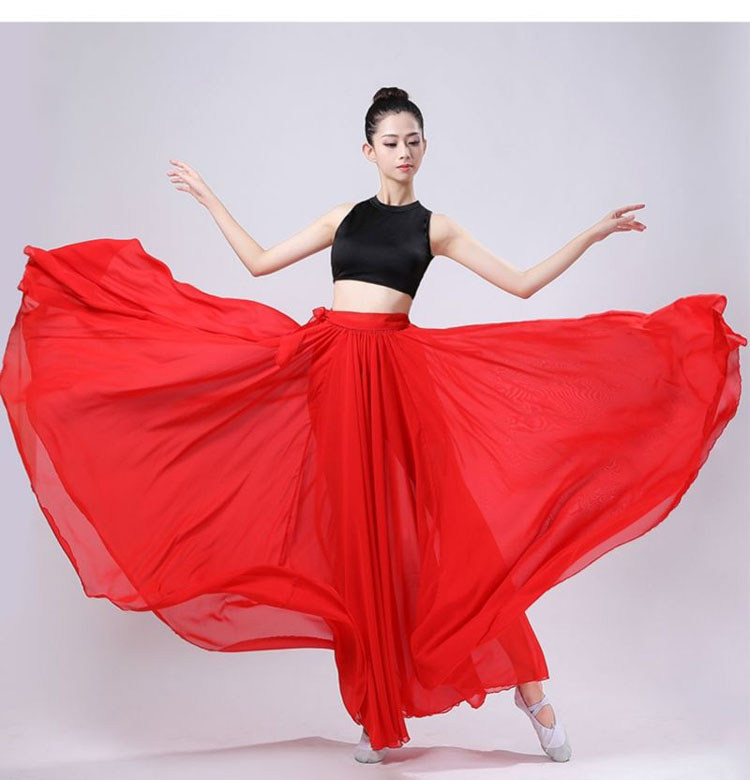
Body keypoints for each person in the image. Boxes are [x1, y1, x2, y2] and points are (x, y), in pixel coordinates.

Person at [1, 86, 745, 766]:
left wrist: (590, 235)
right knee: (359, 553)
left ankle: (534, 698)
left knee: (456, 543)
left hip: (398, 383)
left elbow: (520, 285)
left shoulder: (435, 227)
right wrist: (209, 198)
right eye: (391, 141)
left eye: (413, 140)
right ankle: (378, 715)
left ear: (425, 147)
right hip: (332, 377)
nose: (404, 151)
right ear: (369, 150)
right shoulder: (343, 218)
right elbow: (259, 263)